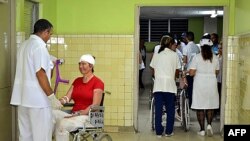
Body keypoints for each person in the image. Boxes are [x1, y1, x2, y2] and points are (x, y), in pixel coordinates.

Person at [10, 19, 62, 141]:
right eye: (50, 34)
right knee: (42, 137)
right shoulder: (39, 47)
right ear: (45, 32)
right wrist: (51, 97)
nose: (50, 37)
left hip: (23, 100)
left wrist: (51, 65)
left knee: (25, 136)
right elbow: (40, 74)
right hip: (38, 102)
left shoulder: (24, 45)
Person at [53, 54, 104, 141]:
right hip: (74, 114)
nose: (80, 66)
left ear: (91, 66)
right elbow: (67, 98)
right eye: (79, 64)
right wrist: (56, 102)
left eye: (84, 64)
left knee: (62, 124)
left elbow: (95, 105)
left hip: (87, 117)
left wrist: (80, 113)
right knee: (51, 114)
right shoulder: (77, 81)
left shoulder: (98, 82)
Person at [150, 35, 181, 138]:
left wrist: (158, 76)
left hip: (158, 84)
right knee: (170, 109)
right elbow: (177, 71)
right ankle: (168, 131)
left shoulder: (157, 54)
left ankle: (159, 132)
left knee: (158, 109)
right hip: (170, 85)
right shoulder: (174, 55)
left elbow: (153, 70)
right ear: (170, 44)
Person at [188, 36, 219, 137]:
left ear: (200, 46)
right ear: (210, 46)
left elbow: (192, 73)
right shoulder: (215, 57)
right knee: (210, 105)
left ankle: (202, 130)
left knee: (200, 107)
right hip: (211, 82)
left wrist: (193, 71)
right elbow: (216, 72)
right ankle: (209, 125)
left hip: (200, 83)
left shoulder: (197, 57)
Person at [182, 31, 200, 108]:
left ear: (186, 38)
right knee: (195, 88)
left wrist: (183, 69)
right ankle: (196, 104)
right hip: (197, 71)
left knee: (190, 88)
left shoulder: (186, 48)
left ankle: (191, 104)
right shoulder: (197, 47)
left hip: (189, 72)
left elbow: (185, 61)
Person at [216, 41, 223, 118]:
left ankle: (220, 109)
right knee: (218, 94)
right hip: (217, 79)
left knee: (221, 94)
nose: (219, 50)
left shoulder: (224, 58)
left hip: (222, 79)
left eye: (221, 48)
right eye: (218, 48)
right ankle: (217, 109)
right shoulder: (217, 57)